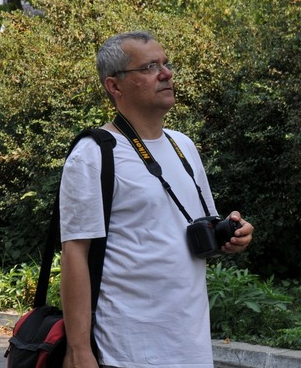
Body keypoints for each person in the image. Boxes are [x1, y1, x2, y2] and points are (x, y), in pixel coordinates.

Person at [59, 31, 254, 368]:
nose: (166, 74)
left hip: (191, 347)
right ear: (115, 86)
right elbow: (75, 252)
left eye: (166, 64)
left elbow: (197, 227)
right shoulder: (93, 154)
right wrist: (79, 351)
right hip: (126, 351)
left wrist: (231, 234)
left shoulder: (184, 146)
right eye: (149, 67)